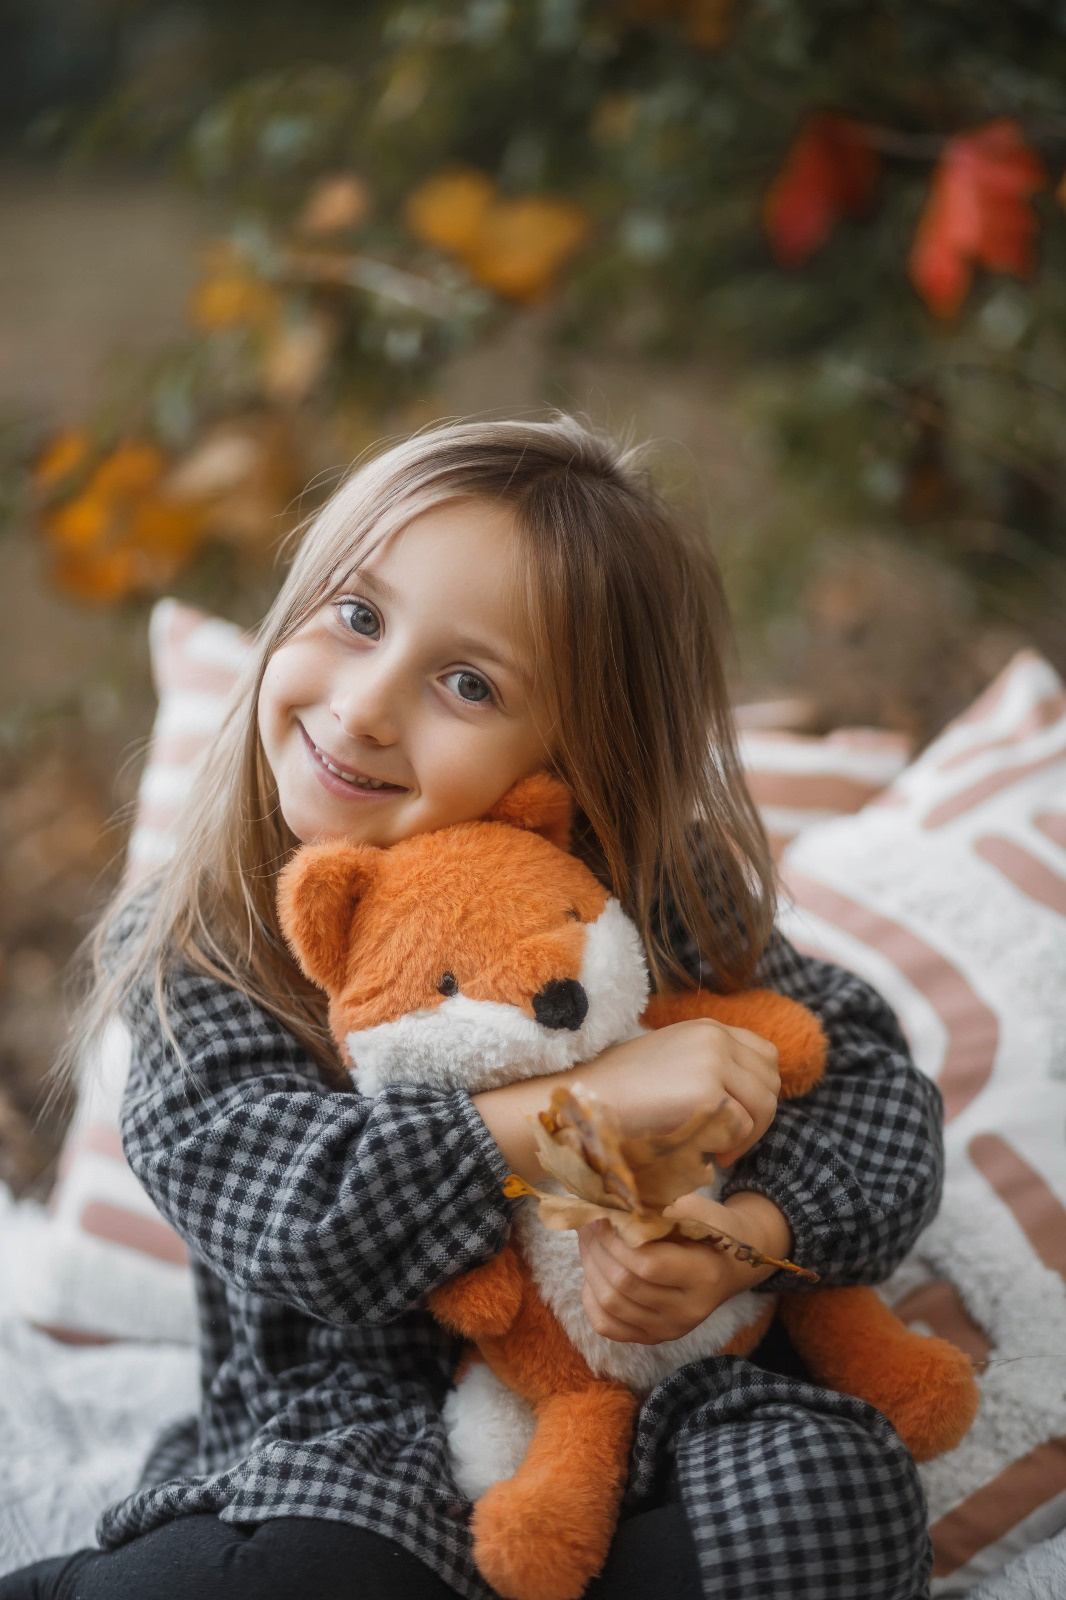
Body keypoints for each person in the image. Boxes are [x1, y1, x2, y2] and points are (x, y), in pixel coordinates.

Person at [0, 414, 941, 1600]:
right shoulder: (209, 941)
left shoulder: (655, 898)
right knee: (302, 1572)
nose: (365, 706)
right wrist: (582, 1108)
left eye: (467, 682)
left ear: (583, 758)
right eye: (356, 615)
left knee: (836, 1505)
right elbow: (297, 1215)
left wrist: (740, 1238)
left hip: (654, 1423)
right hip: (355, 1449)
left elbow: (870, 1090)